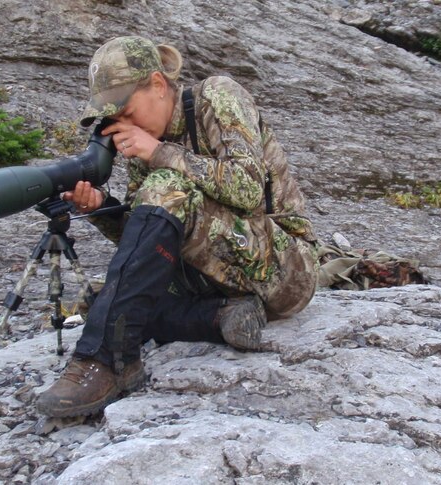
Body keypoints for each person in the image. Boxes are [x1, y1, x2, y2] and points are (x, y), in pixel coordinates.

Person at [36, 36, 319, 417]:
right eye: (112, 117)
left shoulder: (217, 97)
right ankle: (219, 318)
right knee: (106, 300)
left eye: (125, 109)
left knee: (161, 196)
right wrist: (103, 209)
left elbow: (249, 189)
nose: (121, 124)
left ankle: (106, 359)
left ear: (156, 84)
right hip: (212, 273)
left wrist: (160, 154)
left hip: (286, 267)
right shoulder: (145, 141)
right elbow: (151, 237)